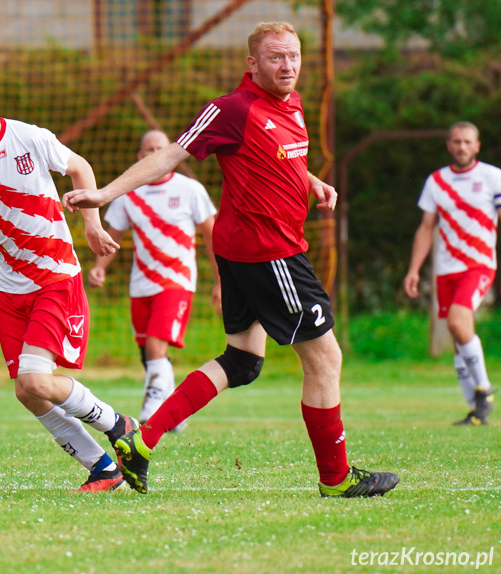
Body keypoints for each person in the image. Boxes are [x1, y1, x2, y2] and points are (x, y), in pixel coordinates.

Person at [64, 22, 399, 498]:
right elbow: (168, 157)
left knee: (241, 362)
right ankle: (337, 477)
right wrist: (103, 194)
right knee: (326, 358)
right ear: (252, 63)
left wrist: (311, 182)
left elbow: (280, 158)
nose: (288, 66)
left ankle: (142, 439)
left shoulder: (294, 105)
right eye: (276, 58)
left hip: (249, 250)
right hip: (270, 252)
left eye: (294, 56)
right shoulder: (231, 109)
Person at [0, 57, 137, 493]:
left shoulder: (29, 137)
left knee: (35, 380)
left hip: (56, 277)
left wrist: (92, 224)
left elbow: (80, 168)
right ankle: (104, 468)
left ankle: (119, 424)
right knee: (27, 392)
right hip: (9, 288)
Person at [88, 129, 219, 427]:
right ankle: (175, 414)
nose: (155, 153)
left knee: (156, 347)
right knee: (147, 352)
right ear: (139, 157)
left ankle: (152, 413)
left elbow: (213, 237)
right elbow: (113, 237)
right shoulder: (127, 195)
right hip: (141, 284)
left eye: (161, 148)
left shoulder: (190, 190)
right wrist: (100, 267)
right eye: (148, 149)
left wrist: (220, 280)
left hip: (178, 282)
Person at [404, 121, 499, 426]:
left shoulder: (492, 177)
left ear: (477, 146)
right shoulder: (437, 181)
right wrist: (414, 269)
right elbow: (426, 227)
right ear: (449, 145)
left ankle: (484, 390)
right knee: (458, 338)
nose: (462, 147)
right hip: (446, 270)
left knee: (459, 323)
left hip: (479, 264)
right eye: (456, 142)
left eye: (467, 142)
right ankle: (476, 411)